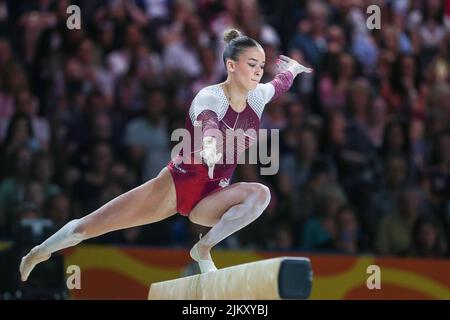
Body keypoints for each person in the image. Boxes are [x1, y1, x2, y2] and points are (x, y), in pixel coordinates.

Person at [19, 28, 312, 281]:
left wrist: (293, 70)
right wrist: (210, 146)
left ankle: (203, 248)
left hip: (212, 197)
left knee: (260, 193)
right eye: (252, 64)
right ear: (231, 65)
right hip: (176, 186)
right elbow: (208, 124)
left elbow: (279, 84)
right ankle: (39, 252)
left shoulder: (258, 96)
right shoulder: (209, 96)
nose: (259, 71)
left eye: (261, 65)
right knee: (90, 226)